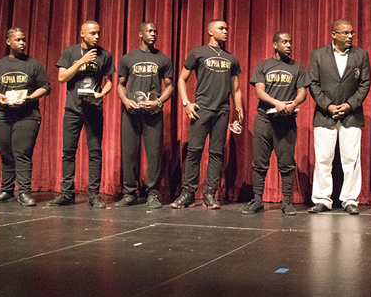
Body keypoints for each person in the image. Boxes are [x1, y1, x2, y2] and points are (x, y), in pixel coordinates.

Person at [171, 20, 243, 209]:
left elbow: (236, 88)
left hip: (222, 111)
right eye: (221, 28)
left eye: (227, 28)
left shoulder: (231, 58)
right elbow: (181, 79)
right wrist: (186, 103)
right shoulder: (198, 53)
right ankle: (188, 193)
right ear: (210, 31)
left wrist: (238, 109)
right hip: (201, 109)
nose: (225, 31)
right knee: (194, 151)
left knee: (216, 153)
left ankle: (210, 194)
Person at [47, 20, 115, 208]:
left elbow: (109, 82)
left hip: (94, 110)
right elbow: (62, 78)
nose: (97, 36)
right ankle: (67, 194)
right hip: (73, 110)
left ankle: (94, 195)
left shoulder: (105, 55)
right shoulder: (70, 52)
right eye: (92, 33)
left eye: (98, 33)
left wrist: (102, 94)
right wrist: (81, 62)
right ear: (82, 34)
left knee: (95, 152)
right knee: (68, 152)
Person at [308, 19, 371, 215]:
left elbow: (365, 84)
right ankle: (322, 199)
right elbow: (313, 84)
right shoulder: (318, 55)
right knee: (323, 159)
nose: (350, 36)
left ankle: (350, 199)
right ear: (333, 34)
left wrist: (350, 105)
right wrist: (327, 105)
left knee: (351, 159)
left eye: (351, 32)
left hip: (351, 115)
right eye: (345, 33)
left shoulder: (361, 55)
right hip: (324, 115)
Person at [242, 32, 310, 215]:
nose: (289, 45)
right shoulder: (263, 66)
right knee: (260, 163)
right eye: (284, 42)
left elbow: (302, 93)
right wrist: (276, 103)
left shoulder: (298, 68)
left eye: (290, 42)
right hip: (264, 120)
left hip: (286, 122)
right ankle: (257, 200)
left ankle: (287, 202)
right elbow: (260, 92)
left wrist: (293, 104)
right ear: (274, 44)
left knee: (286, 163)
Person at [0, 28, 51, 206]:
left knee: (22, 153)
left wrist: (30, 97)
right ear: (8, 42)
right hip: (3, 115)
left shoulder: (33, 64)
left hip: (27, 115)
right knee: (5, 153)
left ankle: (24, 192)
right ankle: (7, 191)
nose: (22, 43)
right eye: (18, 40)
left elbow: (45, 87)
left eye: (24, 40)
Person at [115, 22, 174, 209]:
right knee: (129, 153)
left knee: (154, 154)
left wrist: (159, 102)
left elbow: (170, 86)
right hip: (131, 113)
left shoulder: (163, 59)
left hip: (153, 114)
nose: (153, 34)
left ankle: (152, 194)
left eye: (155, 31)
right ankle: (129, 193)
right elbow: (120, 85)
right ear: (140, 34)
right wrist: (125, 101)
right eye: (149, 31)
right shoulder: (128, 58)